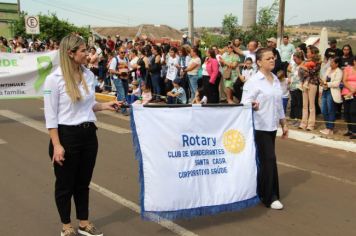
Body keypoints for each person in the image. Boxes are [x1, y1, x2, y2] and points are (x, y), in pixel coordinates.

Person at [43, 35, 122, 236]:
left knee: (83, 182)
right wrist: (57, 145)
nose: (88, 54)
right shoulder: (54, 79)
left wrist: (105, 105)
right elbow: (51, 116)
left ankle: (84, 223)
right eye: (83, 51)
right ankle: (66, 226)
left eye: (87, 50)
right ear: (70, 53)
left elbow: (88, 106)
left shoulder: (88, 75)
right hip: (66, 136)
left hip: (88, 135)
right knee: (65, 185)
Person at [241, 47, 288, 210]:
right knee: (269, 159)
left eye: (273, 58)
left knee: (267, 160)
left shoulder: (275, 79)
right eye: (268, 58)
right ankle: (269, 197)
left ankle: (263, 191)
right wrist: (251, 105)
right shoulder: (253, 81)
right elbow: (244, 103)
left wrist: (283, 122)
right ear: (259, 62)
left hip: (271, 126)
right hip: (258, 126)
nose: (272, 60)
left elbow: (278, 103)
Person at [298, 45, 321, 131]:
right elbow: (301, 71)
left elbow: (313, 71)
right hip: (305, 83)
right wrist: (304, 68)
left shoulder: (318, 62)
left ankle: (311, 125)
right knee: (304, 105)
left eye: (308, 52)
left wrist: (304, 67)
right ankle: (303, 123)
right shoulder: (306, 61)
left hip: (312, 83)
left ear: (313, 53)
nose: (307, 53)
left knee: (311, 105)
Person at [319, 57, 343, 135]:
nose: (331, 63)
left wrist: (326, 83)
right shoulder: (329, 69)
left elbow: (336, 83)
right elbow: (323, 78)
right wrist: (322, 83)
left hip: (332, 92)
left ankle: (330, 128)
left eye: (332, 62)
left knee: (331, 110)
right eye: (331, 62)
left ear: (337, 64)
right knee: (323, 110)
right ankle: (327, 127)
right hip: (325, 91)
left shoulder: (339, 71)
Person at [288, 51, 304, 127]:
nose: (294, 61)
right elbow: (290, 73)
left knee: (299, 104)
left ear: (300, 58)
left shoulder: (303, 65)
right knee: (293, 103)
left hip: (299, 87)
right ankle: (294, 119)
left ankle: (299, 119)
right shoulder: (294, 65)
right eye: (293, 59)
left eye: (296, 59)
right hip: (292, 86)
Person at [341, 56, 356, 139]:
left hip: (354, 94)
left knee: (353, 112)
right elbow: (344, 80)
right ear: (354, 61)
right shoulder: (347, 68)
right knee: (346, 112)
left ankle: (355, 131)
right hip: (346, 93)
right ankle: (350, 130)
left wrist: (353, 92)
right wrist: (350, 90)